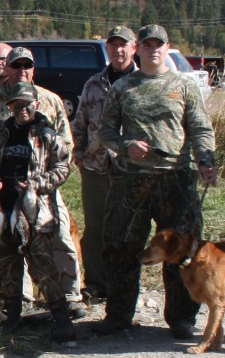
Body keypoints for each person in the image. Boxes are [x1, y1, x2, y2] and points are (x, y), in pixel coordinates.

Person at [93, 24, 217, 338]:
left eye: (158, 45)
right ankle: (119, 315)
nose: (153, 50)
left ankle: (181, 318)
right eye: (147, 45)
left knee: (181, 250)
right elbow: (105, 131)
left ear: (167, 47)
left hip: (174, 178)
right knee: (121, 247)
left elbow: (201, 128)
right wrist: (125, 146)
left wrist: (206, 160)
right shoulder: (124, 87)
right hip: (130, 181)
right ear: (138, 49)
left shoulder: (184, 85)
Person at [0, 47, 85, 318]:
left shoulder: (50, 101)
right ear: (8, 68)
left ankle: (69, 298)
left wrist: (42, 183)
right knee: (9, 250)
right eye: (16, 65)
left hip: (41, 193)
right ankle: (18, 303)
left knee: (57, 241)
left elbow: (65, 148)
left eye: (27, 65)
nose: (21, 69)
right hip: (5, 198)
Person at [72, 26, 138, 302]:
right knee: (95, 228)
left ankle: (125, 284)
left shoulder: (143, 82)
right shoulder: (93, 84)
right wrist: (78, 153)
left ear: (133, 48)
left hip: (132, 170)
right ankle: (97, 284)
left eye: (123, 45)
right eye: (113, 45)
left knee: (129, 229)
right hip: (96, 167)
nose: (118, 50)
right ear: (107, 49)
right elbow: (80, 122)